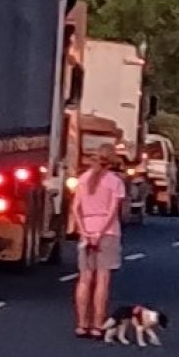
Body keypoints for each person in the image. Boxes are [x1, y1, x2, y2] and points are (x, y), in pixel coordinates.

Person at [71, 144, 126, 339]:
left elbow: (76, 208)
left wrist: (85, 232)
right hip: (108, 233)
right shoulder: (115, 182)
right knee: (102, 279)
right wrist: (101, 232)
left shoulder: (83, 179)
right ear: (111, 161)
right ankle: (97, 325)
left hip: (87, 229)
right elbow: (112, 211)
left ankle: (81, 324)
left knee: (85, 279)